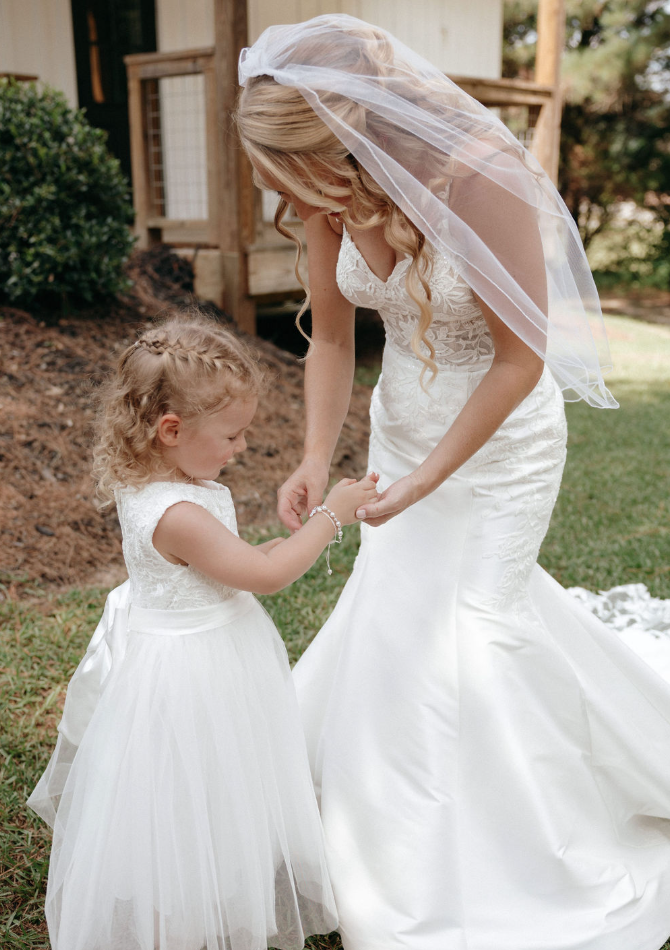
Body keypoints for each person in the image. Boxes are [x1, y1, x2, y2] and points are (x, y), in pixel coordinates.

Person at [236, 15, 670, 950]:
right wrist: (317, 455)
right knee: (399, 625)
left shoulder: (483, 174)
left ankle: (514, 855)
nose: (288, 196)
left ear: (344, 135)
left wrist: (431, 478)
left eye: (294, 174)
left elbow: (522, 361)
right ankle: (380, 826)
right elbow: (338, 335)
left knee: (478, 629)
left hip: (499, 444)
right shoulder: (333, 188)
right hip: (403, 428)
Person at [27, 311, 380, 950]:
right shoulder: (180, 512)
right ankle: (188, 913)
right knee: (193, 793)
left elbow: (226, 565)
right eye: (233, 435)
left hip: (204, 651)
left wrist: (269, 543)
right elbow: (266, 576)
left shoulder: (170, 486)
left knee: (218, 786)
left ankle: (219, 881)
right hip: (193, 673)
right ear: (171, 429)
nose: (240, 449)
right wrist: (332, 516)